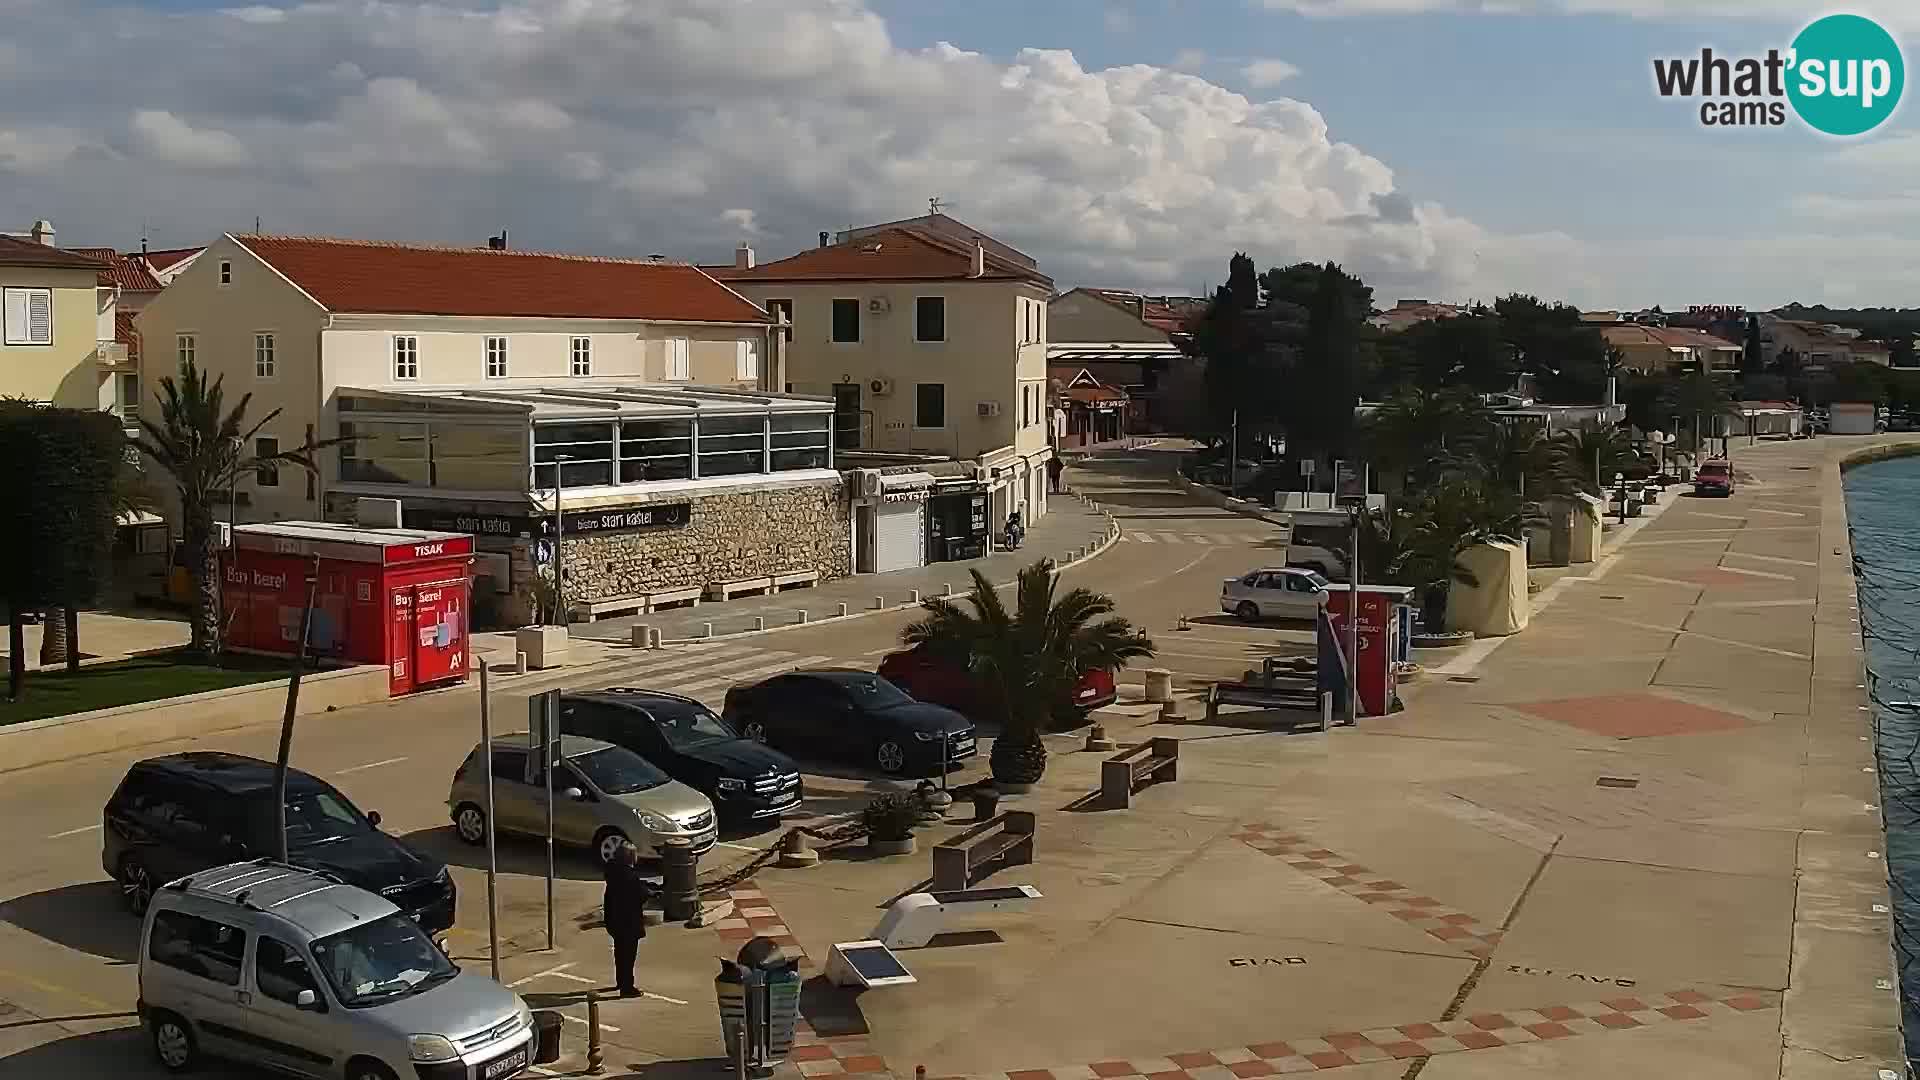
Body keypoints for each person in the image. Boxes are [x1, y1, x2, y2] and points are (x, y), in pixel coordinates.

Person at [602, 841, 652, 998]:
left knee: (620, 953)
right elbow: (639, 895)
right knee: (628, 956)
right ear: (630, 857)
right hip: (628, 922)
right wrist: (649, 892)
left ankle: (620, 981)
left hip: (614, 921)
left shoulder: (613, 872)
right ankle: (627, 987)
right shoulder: (629, 877)